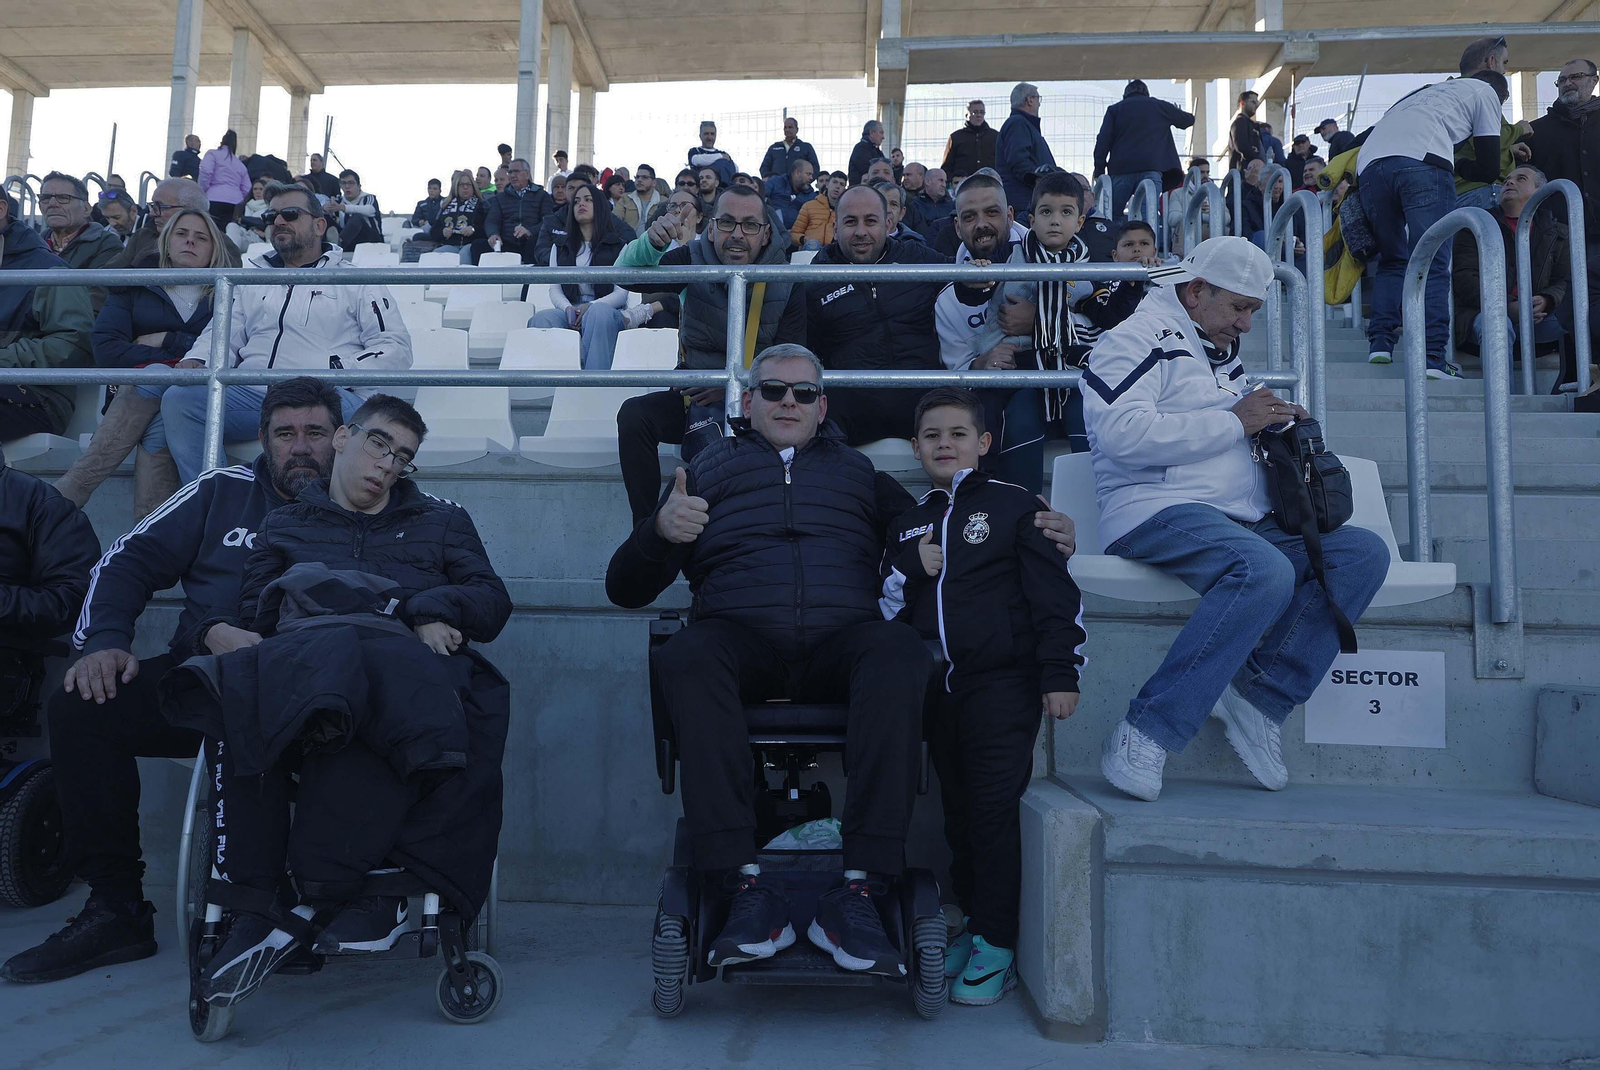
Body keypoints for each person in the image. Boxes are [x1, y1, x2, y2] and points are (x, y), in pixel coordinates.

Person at [171, 394, 510, 1006]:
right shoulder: (285, 525)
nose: (387, 464)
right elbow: (252, 615)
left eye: (402, 456)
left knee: (368, 692)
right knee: (245, 689)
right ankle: (256, 903)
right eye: (379, 444)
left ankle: (337, 889)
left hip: (402, 674)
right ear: (344, 437)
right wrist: (212, 633)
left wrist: (427, 609)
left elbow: (491, 601)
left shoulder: (440, 521)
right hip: (308, 669)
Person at [0, 379, 341, 985]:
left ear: (340, 439)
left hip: (318, 701)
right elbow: (124, 562)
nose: (300, 447)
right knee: (83, 705)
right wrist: (105, 642)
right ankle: (116, 909)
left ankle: (272, 909)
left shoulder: (365, 502)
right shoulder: (219, 492)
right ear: (263, 439)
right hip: (200, 682)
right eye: (285, 433)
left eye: (315, 433)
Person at [1083, 237, 1390, 802]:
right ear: (1196, 291)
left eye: (1254, 310)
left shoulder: (1215, 347)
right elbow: (1119, 435)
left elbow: (1231, 425)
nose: (1247, 324)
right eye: (1240, 308)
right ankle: (1145, 730)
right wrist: (1236, 421)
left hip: (1236, 517)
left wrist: (1276, 423)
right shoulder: (1131, 338)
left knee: (1361, 554)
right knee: (1264, 570)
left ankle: (1258, 699)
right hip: (1151, 507)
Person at [883, 387, 1085, 1006]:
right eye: (932, 435)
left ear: (984, 443)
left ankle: (998, 943)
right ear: (915, 447)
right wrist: (910, 566)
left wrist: (1060, 673)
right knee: (959, 815)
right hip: (937, 691)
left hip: (1003, 685)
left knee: (993, 814)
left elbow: (1054, 593)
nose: (944, 444)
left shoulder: (1015, 505)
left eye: (958, 434)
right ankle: (974, 922)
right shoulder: (908, 523)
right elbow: (885, 610)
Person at [145, 182, 411, 483]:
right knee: (179, 399)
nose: (279, 222)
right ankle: (218, 500)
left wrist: (332, 371)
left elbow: (395, 347)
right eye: (271, 217)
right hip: (256, 395)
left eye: (291, 214)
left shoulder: (356, 280)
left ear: (320, 225)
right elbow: (222, 335)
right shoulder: (250, 280)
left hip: (326, 396)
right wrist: (199, 360)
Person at [613, 186, 807, 522]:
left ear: (765, 234)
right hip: (696, 398)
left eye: (750, 225)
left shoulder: (787, 278)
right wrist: (652, 243)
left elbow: (790, 363)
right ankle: (644, 528)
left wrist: (731, 384)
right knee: (634, 416)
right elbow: (624, 276)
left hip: (762, 401)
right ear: (712, 228)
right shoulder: (692, 257)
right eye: (727, 222)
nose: (737, 234)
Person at [55, 209, 241, 517]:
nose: (190, 242)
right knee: (161, 412)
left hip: (197, 399)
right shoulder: (134, 284)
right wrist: (179, 361)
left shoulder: (229, 292)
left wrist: (168, 340)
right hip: (140, 400)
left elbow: (229, 352)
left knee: (163, 392)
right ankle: (151, 534)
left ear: (214, 249)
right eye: (181, 234)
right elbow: (107, 350)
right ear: (166, 242)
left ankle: (71, 491)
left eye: (201, 237)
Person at [1357, 69, 1509, 376]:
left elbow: (1367, 135)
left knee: (1393, 259)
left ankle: (1380, 343)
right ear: (1501, 95)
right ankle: (1433, 359)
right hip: (1424, 163)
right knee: (1433, 262)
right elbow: (1490, 168)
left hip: (1370, 168)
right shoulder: (1486, 92)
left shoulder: (1421, 95)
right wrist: (1459, 164)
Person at [965, 172, 1099, 488]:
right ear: (1031, 219)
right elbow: (993, 297)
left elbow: (1100, 316)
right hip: (1021, 364)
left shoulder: (1089, 264)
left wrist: (1039, 319)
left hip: (1069, 366)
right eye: (1046, 211)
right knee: (1022, 416)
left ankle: (1093, 501)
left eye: (1066, 212)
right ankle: (1023, 502)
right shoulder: (1014, 255)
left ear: (1080, 222)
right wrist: (976, 272)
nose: (1056, 220)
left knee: (1086, 414)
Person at [807, 185, 950, 446]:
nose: (861, 231)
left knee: (966, 416)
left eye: (871, 221)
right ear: (836, 227)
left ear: (888, 223)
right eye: (851, 222)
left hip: (923, 393)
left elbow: (969, 284)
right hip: (851, 400)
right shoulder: (815, 279)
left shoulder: (916, 257)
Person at [0, 189, 94, 438]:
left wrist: (3, 359)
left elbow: (74, 344)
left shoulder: (48, 271)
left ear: (1, 209)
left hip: (39, 395)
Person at [1528, 57, 1600, 376]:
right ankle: (1574, 376)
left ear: (1594, 81)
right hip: (1563, 239)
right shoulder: (1537, 131)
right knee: (1571, 307)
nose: (1568, 83)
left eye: (1576, 77)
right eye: (1562, 80)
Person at [1453, 166, 1568, 356]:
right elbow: (1465, 278)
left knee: (1584, 316)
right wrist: (1506, 306)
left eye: (1521, 178)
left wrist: (1547, 300)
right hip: (1481, 313)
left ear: (1540, 192)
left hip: (1538, 318)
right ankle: (1500, 377)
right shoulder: (1475, 226)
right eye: (1507, 179)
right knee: (1498, 324)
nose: (1509, 182)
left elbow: (1565, 280)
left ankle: (1581, 375)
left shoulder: (1557, 232)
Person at [527, 182, 639, 370]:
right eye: (577, 201)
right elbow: (554, 289)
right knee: (542, 319)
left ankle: (594, 383)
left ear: (600, 206)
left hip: (606, 311)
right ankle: (551, 383)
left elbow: (621, 294)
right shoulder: (559, 246)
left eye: (588, 200)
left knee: (598, 313)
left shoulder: (619, 246)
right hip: (572, 309)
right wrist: (568, 309)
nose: (581, 204)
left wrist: (590, 306)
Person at [1092, 80, 1195, 224]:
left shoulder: (1115, 110)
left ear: (1125, 95)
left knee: (1113, 216)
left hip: (1121, 170)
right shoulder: (1160, 106)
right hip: (1151, 168)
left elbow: (1103, 140)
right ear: (1147, 93)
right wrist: (1175, 110)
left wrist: (1099, 170)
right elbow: (1188, 120)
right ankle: (1149, 238)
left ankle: (1113, 238)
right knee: (1149, 217)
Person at [1454, 36, 1531, 212]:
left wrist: (1507, 150)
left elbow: (1470, 143)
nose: (1504, 71)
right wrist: (1519, 129)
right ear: (1491, 61)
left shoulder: (1455, 92)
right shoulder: (1474, 92)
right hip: (1482, 191)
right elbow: (1483, 140)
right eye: (1504, 63)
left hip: (1468, 192)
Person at [39, 172, 124, 277]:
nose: (52, 204)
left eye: (63, 198)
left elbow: (97, 287)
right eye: (45, 198)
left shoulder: (107, 245)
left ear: (86, 209)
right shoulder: (31, 245)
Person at [996, 83, 1057, 224]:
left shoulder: (1022, 125)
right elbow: (1018, 160)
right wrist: (1038, 181)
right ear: (1030, 100)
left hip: (1026, 200)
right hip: (1024, 203)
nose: (1039, 104)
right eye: (1038, 99)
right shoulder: (1018, 123)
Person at [486, 157, 555, 263]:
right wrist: (493, 234)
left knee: (534, 244)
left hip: (532, 241)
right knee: (478, 245)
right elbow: (491, 221)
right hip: (507, 241)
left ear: (527, 174)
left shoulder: (542, 196)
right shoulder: (500, 198)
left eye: (516, 171)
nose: (512, 175)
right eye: (510, 172)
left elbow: (548, 221)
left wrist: (530, 231)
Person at [1164, 157, 1228, 255]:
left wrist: (1213, 212)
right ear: (1191, 173)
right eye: (1202, 172)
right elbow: (1172, 219)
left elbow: (1227, 218)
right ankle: (1179, 258)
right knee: (1183, 224)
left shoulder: (1215, 193)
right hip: (1188, 232)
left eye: (1207, 172)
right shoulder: (1178, 193)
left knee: (1225, 230)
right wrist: (1195, 211)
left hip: (1209, 230)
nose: (1205, 176)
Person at [430, 170, 488, 264]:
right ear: (456, 187)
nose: (465, 187)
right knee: (435, 255)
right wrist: (443, 232)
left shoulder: (482, 204)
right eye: (461, 185)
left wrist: (473, 229)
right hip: (451, 244)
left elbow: (489, 227)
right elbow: (433, 231)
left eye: (468, 185)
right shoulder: (446, 205)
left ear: (473, 187)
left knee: (463, 255)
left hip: (471, 244)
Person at [198, 130, 252, 229]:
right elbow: (247, 187)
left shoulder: (212, 154)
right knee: (228, 231)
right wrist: (238, 195)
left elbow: (206, 171)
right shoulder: (240, 164)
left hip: (213, 198)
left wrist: (203, 189)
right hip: (235, 202)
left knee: (211, 230)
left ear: (222, 142)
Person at [328, 169, 384, 248]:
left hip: (372, 241)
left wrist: (343, 208)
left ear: (359, 186)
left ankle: (339, 243)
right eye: (343, 183)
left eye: (351, 183)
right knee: (325, 219)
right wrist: (325, 208)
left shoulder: (368, 198)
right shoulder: (339, 201)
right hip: (351, 242)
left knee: (357, 217)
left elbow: (370, 210)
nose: (347, 186)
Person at [943, 100, 998, 179]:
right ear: (966, 115)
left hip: (990, 182)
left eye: (982, 112)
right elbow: (947, 166)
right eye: (975, 112)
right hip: (964, 183)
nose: (979, 115)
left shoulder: (995, 136)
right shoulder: (956, 137)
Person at [791, 171, 844, 249]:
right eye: (834, 182)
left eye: (842, 184)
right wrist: (805, 240)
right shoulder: (809, 206)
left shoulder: (846, 211)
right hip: (811, 249)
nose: (837, 186)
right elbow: (794, 234)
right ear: (827, 184)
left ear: (845, 189)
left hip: (833, 250)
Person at [765, 158, 816, 232]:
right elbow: (760, 199)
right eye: (808, 174)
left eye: (812, 175)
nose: (811, 178)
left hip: (797, 235)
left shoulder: (811, 196)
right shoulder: (775, 182)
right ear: (797, 173)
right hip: (771, 231)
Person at [905, 166, 954, 236]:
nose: (944, 185)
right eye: (940, 180)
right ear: (928, 181)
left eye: (945, 181)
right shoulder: (915, 207)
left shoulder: (952, 206)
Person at [687, 121, 737, 187]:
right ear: (700, 136)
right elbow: (697, 161)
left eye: (712, 134)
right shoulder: (695, 151)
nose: (709, 137)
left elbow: (735, 169)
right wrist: (720, 157)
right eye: (706, 134)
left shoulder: (724, 153)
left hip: (723, 190)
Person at [616, 163, 660, 232]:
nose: (639, 180)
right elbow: (614, 221)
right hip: (629, 238)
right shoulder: (625, 198)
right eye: (637, 177)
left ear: (654, 183)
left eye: (644, 177)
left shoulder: (662, 201)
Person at [1227, 91, 1264, 173]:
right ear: (1243, 103)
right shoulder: (1240, 122)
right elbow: (1241, 146)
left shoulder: (1251, 125)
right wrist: (1255, 159)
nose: (1256, 105)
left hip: (1252, 172)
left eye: (1257, 102)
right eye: (1253, 102)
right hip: (1244, 172)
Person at [848, 119, 888, 186]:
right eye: (881, 133)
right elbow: (871, 170)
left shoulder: (875, 150)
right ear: (872, 133)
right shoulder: (861, 149)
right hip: (862, 191)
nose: (883, 137)